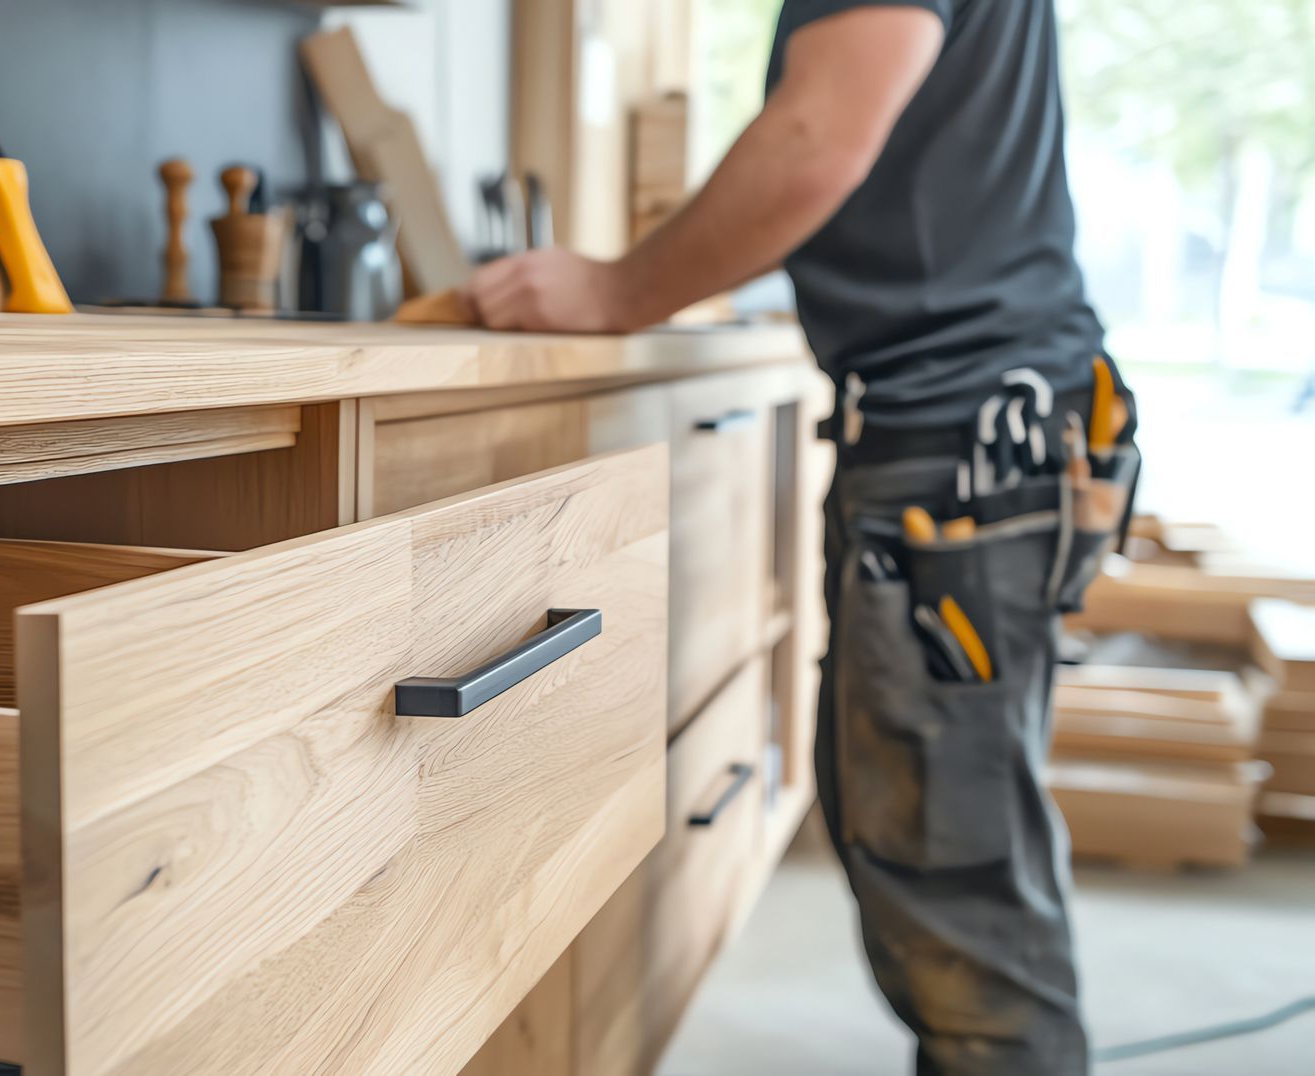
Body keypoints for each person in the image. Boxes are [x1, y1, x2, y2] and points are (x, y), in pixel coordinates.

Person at [464, 2, 1135, 1073]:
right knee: (940, 844)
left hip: (965, 442)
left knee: (961, 898)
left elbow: (819, 139)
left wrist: (618, 290)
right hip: (992, 433)